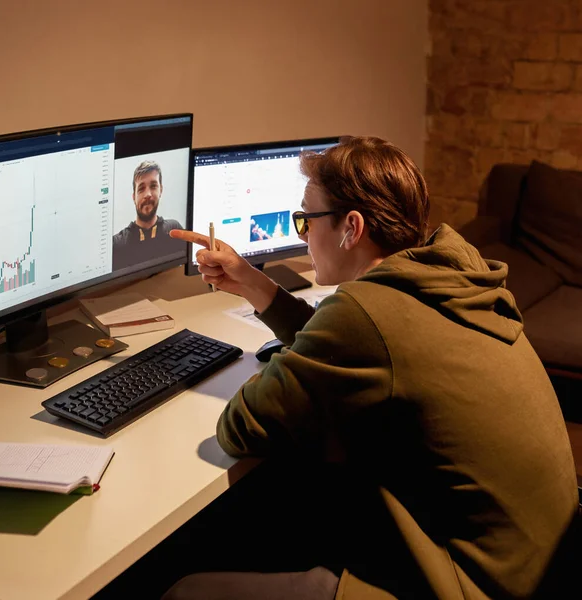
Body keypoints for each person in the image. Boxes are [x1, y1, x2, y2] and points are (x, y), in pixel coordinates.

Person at [164, 136, 578, 600]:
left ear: (351, 228)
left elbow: (240, 427)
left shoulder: (365, 312)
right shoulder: (449, 277)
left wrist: (286, 367)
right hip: (541, 567)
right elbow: (361, 340)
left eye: (305, 219)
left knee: (186, 590)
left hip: (469, 586)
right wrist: (256, 285)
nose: (302, 234)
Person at [112, 160, 185, 271]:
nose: (147, 194)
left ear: (161, 190)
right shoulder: (117, 245)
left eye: (153, 186)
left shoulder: (175, 231)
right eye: (141, 189)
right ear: (134, 197)